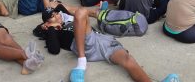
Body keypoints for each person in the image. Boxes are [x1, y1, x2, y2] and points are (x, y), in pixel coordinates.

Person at [40, 6, 179, 82]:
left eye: (56, 13)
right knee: (81, 12)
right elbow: (54, 49)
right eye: (52, 16)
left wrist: (58, 11)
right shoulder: (54, 31)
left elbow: (61, 7)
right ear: (46, 23)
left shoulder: (67, 19)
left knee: (128, 59)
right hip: (85, 43)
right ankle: (81, 64)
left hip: (104, 41)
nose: (57, 15)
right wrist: (51, 28)